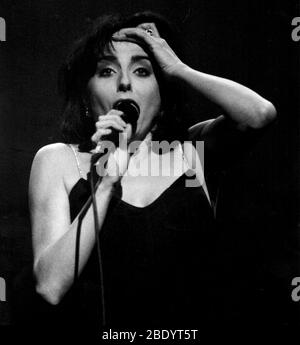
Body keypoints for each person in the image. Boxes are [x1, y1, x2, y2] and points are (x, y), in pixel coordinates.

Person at [28, 11, 276, 336]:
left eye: (142, 70)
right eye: (106, 70)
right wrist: (106, 185)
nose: (125, 82)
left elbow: (260, 114)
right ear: (87, 97)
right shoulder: (57, 160)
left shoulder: (192, 151)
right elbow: (50, 286)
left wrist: (178, 69)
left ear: (162, 94)